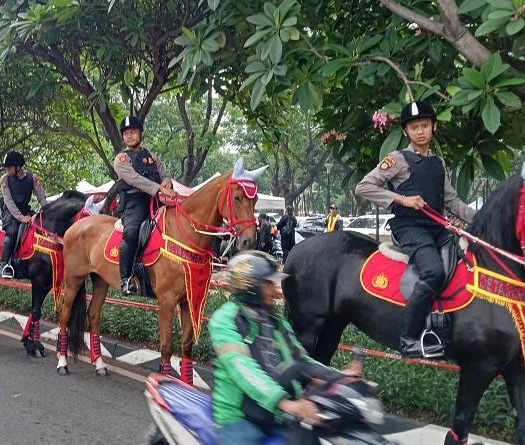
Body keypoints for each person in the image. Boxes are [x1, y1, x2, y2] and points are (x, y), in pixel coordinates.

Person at [355, 100, 476, 358]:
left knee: (465, 263)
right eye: (414, 127)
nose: (420, 131)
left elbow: (452, 201)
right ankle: (409, 337)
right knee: (433, 271)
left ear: (433, 127)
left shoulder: (438, 163)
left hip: (437, 229)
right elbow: (363, 187)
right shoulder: (397, 159)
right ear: (406, 131)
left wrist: (482, 218)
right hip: (409, 228)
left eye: (424, 125)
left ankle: (444, 327)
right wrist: (401, 199)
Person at [210, 251, 360, 444]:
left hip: (276, 412)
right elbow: (243, 369)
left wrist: (340, 378)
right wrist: (284, 403)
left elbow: (301, 360)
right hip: (239, 418)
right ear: (250, 286)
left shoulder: (276, 321)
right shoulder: (225, 320)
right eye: (268, 284)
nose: (275, 290)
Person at [113, 116, 176, 295]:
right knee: (132, 233)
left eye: (132, 132)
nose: (129, 136)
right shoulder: (121, 159)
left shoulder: (153, 157)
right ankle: (125, 279)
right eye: (126, 134)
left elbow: (164, 174)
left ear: (140, 133)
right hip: (134, 203)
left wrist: (167, 183)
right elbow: (135, 179)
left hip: (157, 201)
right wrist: (159, 189)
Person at [0, 151, 47, 279]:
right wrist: (21, 217)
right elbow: (9, 202)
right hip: (10, 211)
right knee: (12, 232)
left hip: (26, 210)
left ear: (18, 167)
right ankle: (4, 265)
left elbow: (41, 198)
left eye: (9, 167)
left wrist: (46, 210)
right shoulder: (5, 180)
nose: (7, 170)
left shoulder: (33, 178)